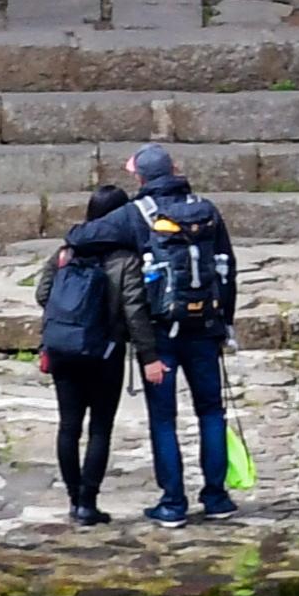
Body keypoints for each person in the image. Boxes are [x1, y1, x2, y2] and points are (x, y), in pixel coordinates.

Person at [65, 146, 238, 523]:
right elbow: (227, 267)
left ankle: (173, 503)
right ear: (174, 170)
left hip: (161, 333)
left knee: (164, 419)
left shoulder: (135, 215)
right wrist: (225, 323)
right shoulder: (207, 210)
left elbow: (78, 236)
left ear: (141, 179)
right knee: (211, 411)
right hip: (206, 327)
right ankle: (216, 498)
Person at [34, 201, 131, 522]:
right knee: (100, 428)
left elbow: (42, 294)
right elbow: (134, 308)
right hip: (106, 353)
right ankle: (89, 503)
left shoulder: (65, 253)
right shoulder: (124, 257)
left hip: (64, 348)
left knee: (68, 426)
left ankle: (73, 498)